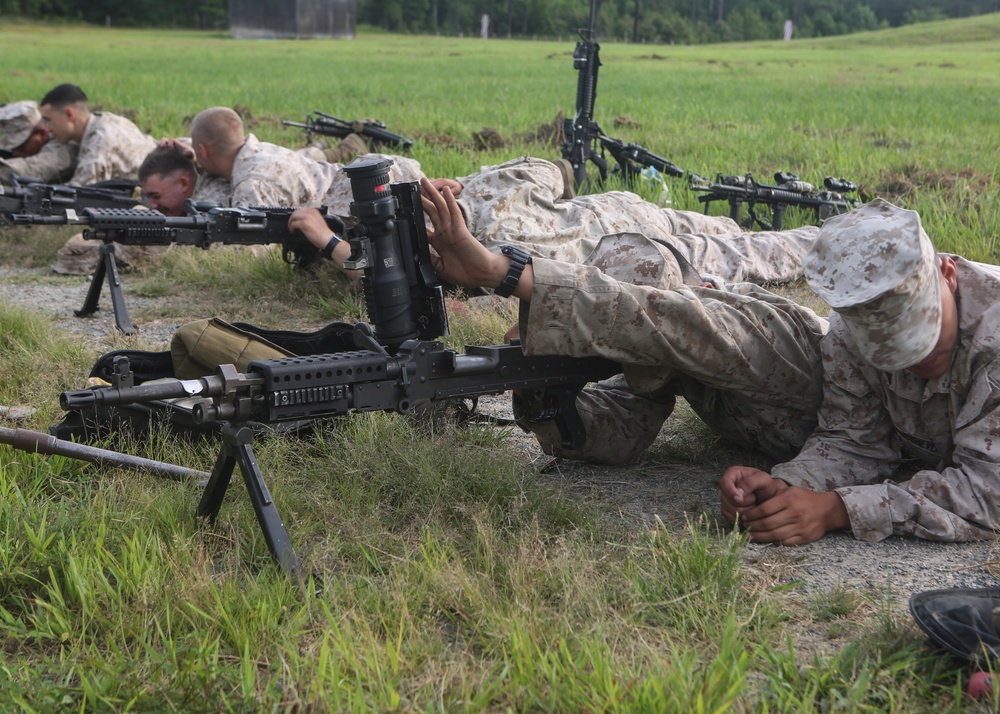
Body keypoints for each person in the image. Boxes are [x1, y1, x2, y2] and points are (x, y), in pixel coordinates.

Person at [416, 177, 830, 467]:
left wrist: (501, 273)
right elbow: (621, 430)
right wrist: (537, 386)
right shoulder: (658, 358)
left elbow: (654, 318)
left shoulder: (764, 332)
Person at [719, 198, 1000, 545]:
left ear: (949, 275)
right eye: (890, 349)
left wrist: (840, 509)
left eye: (919, 330)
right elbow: (854, 440)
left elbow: (989, 496)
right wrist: (790, 486)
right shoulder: (849, 332)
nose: (918, 355)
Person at [431, 156, 822, 284]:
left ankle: (836, 242)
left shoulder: (476, 256)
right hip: (636, 229)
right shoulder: (491, 187)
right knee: (748, 242)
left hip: (638, 243)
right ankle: (837, 240)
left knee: (751, 248)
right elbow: (559, 172)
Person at [188, 106, 424, 215]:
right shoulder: (261, 151)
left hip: (378, 197)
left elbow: (248, 253)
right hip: (387, 173)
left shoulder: (252, 184)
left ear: (203, 151)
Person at [39, 83, 156, 186]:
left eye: (48, 120)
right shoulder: (103, 121)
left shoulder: (101, 140)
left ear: (70, 115)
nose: (45, 128)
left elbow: (78, 191)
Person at [0, 100, 77, 184]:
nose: (15, 153)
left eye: (21, 146)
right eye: (12, 148)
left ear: (42, 134)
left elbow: (30, 170)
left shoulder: (60, 147)